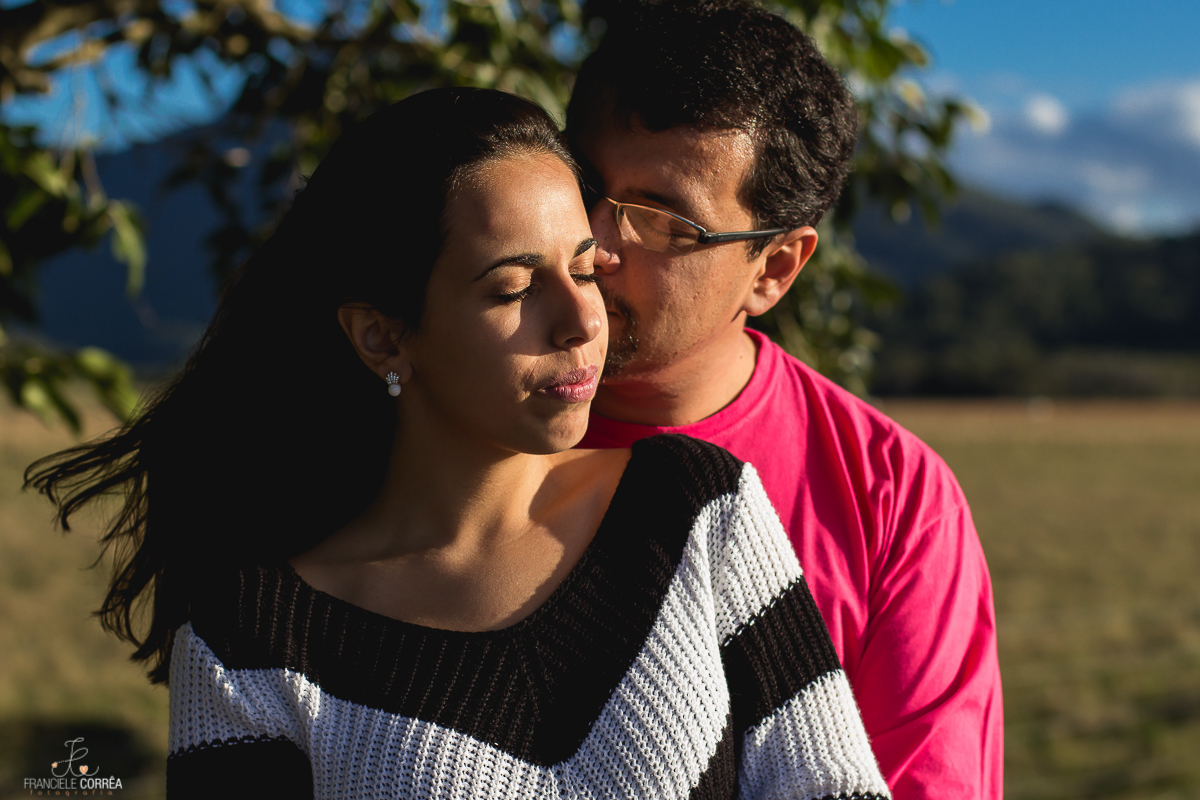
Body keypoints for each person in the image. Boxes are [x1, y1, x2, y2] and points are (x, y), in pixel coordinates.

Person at [26, 88, 890, 799]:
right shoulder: (251, 641)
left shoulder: (698, 509)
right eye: (514, 286)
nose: (583, 315)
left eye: (585, 268)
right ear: (382, 338)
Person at [565, 2, 1003, 798]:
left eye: (664, 223)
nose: (599, 242)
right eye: (587, 187)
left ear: (774, 268)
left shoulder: (889, 496)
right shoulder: (437, 422)